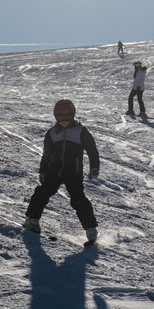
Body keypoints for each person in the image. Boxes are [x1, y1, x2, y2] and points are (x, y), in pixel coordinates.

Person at [23, 99, 99, 245]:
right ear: (55, 116)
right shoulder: (52, 133)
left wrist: (94, 166)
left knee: (78, 199)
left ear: (73, 115)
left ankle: (91, 229)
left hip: (73, 172)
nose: (63, 120)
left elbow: (92, 150)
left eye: (67, 116)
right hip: (54, 171)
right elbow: (46, 155)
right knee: (42, 192)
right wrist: (43, 170)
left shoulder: (81, 132)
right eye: (60, 116)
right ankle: (32, 219)